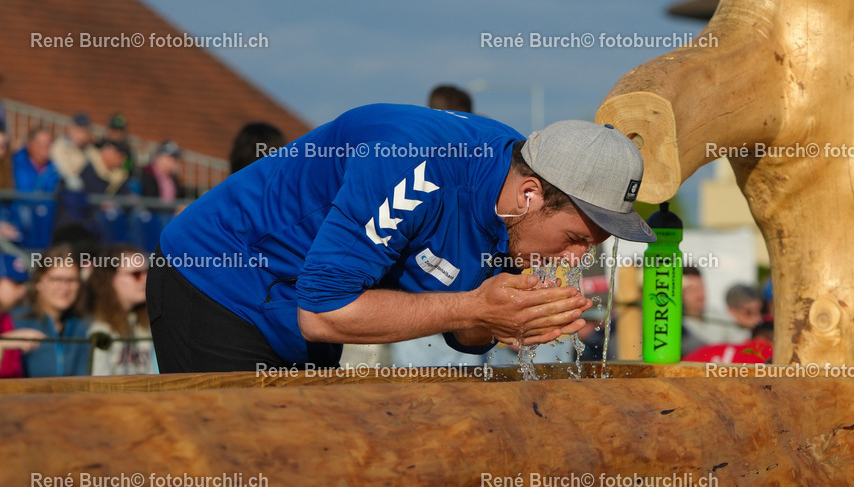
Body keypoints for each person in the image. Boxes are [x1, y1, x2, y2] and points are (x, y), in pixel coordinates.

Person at [148, 104, 655, 372]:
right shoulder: (413, 167)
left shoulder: (515, 205)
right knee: (239, 483)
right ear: (529, 194)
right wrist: (477, 309)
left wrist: (507, 322)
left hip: (298, 304)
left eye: (591, 247)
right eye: (572, 238)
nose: (575, 259)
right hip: (218, 278)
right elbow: (323, 312)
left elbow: (464, 334)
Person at [12, 244, 92, 377]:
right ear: (39, 282)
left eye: (71, 280)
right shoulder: (15, 323)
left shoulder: (80, 327)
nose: (64, 288)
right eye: (56, 279)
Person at [84, 244, 157, 375]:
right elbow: (98, 385)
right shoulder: (96, 327)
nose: (145, 279)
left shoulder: (145, 322)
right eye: (136, 274)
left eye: (147, 272)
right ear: (109, 278)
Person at [12, 126, 61, 247]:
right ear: (30, 144)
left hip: (46, 220)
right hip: (21, 218)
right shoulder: (16, 163)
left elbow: (53, 195)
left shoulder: (54, 168)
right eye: (41, 143)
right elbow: (23, 194)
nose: (45, 147)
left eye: (49, 143)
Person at [0, 253, 45, 377]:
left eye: (24, 284)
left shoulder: (7, 318)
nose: (23, 290)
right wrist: (4, 342)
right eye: (16, 283)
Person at [51, 112, 96, 191]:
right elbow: (64, 172)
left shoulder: (89, 149)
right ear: (71, 129)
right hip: (64, 189)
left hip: (85, 188)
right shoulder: (60, 146)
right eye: (79, 131)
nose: (83, 135)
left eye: (85, 131)